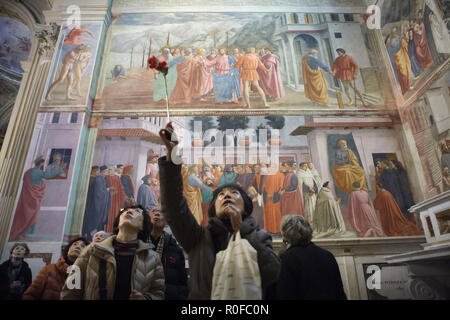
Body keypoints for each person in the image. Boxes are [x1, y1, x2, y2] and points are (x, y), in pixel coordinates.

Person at [157, 122, 281, 299]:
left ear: (245, 207)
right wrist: (173, 156)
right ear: (213, 209)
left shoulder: (260, 237)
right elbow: (173, 206)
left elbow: (271, 272)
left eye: (234, 192)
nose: (226, 195)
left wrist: (242, 230)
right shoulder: (197, 237)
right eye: (221, 194)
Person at [60, 206, 165, 300]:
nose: (129, 212)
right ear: (118, 223)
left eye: (137, 211)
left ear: (142, 226)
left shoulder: (152, 258)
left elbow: (158, 293)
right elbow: (71, 290)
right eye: (125, 211)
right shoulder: (91, 251)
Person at [276, 215, 347, 300]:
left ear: (285, 234)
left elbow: (284, 294)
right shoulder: (328, 255)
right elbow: (339, 292)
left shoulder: (286, 259)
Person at [9, 157, 63, 240]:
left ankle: (21, 233)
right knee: (30, 214)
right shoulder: (38, 172)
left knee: (24, 213)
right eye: (43, 163)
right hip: (34, 196)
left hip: (27, 195)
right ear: (41, 164)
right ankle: (20, 232)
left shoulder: (28, 172)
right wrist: (59, 170)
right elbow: (48, 176)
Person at [23, 237, 89, 300]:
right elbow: (30, 294)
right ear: (68, 249)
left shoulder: (86, 276)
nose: (77, 246)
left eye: (82, 246)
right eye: (75, 244)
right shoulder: (49, 269)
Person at [149, 205, 189, 300]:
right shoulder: (138, 244)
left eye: (162, 212)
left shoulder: (175, 250)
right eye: (154, 211)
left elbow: (182, 282)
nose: (157, 213)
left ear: (167, 222)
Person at [82, 165, 111, 241]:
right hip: (96, 204)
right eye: (107, 171)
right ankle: (90, 236)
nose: (107, 173)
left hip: (97, 203)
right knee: (94, 220)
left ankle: (92, 235)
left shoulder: (101, 179)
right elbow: (99, 193)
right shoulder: (99, 178)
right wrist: (107, 192)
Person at [386, 26, 412, 94]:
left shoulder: (398, 38)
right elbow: (395, 47)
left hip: (402, 56)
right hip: (398, 59)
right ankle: (405, 88)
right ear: (391, 33)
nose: (395, 33)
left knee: (406, 71)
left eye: (395, 31)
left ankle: (408, 86)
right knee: (403, 73)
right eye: (393, 32)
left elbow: (402, 42)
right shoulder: (391, 41)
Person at [105, 166, 127, 233]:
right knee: (109, 214)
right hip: (109, 199)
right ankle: (107, 229)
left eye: (111, 169)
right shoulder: (106, 177)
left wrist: (123, 196)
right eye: (108, 169)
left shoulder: (117, 178)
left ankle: (113, 230)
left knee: (116, 213)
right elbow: (104, 187)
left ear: (114, 170)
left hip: (117, 199)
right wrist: (109, 190)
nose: (109, 171)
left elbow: (121, 188)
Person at [296, 162, 318, 226]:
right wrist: (309, 189)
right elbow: (301, 185)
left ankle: (315, 222)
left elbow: (314, 182)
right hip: (306, 194)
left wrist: (314, 189)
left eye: (306, 166)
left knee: (314, 207)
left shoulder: (309, 172)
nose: (306, 167)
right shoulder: (299, 173)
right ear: (301, 167)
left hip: (312, 193)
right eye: (304, 166)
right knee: (308, 208)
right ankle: (309, 222)